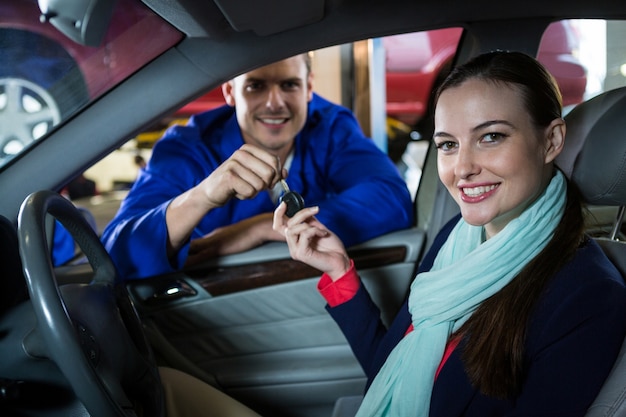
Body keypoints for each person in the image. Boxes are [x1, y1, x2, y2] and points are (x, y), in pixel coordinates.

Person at [273, 51, 626, 416]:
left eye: (491, 136)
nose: (463, 168)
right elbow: (391, 372)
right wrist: (338, 271)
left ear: (551, 141)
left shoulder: (588, 296)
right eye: (447, 144)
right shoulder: (454, 239)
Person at [101, 53, 413, 279]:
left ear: (308, 89)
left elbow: (392, 199)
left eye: (289, 85)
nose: (275, 103)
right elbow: (116, 251)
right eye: (256, 86)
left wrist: (262, 227)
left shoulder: (331, 127)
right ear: (230, 92)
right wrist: (204, 196)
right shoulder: (189, 145)